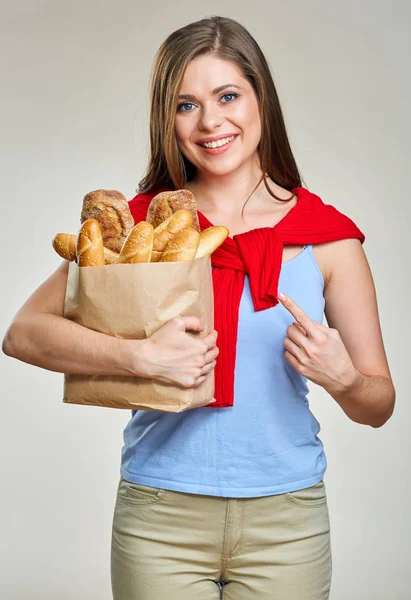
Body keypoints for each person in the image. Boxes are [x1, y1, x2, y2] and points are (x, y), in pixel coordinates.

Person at [2, 15, 395, 600]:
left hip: (286, 520)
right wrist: (141, 358)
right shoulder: (139, 228)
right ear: (169, 119)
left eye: (228, 96)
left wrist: (343, 379)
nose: (211, 122)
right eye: (186, 105)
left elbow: (378, 405)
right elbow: (23, 334)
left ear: (262, 98)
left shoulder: (328, 239)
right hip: (160, 516)